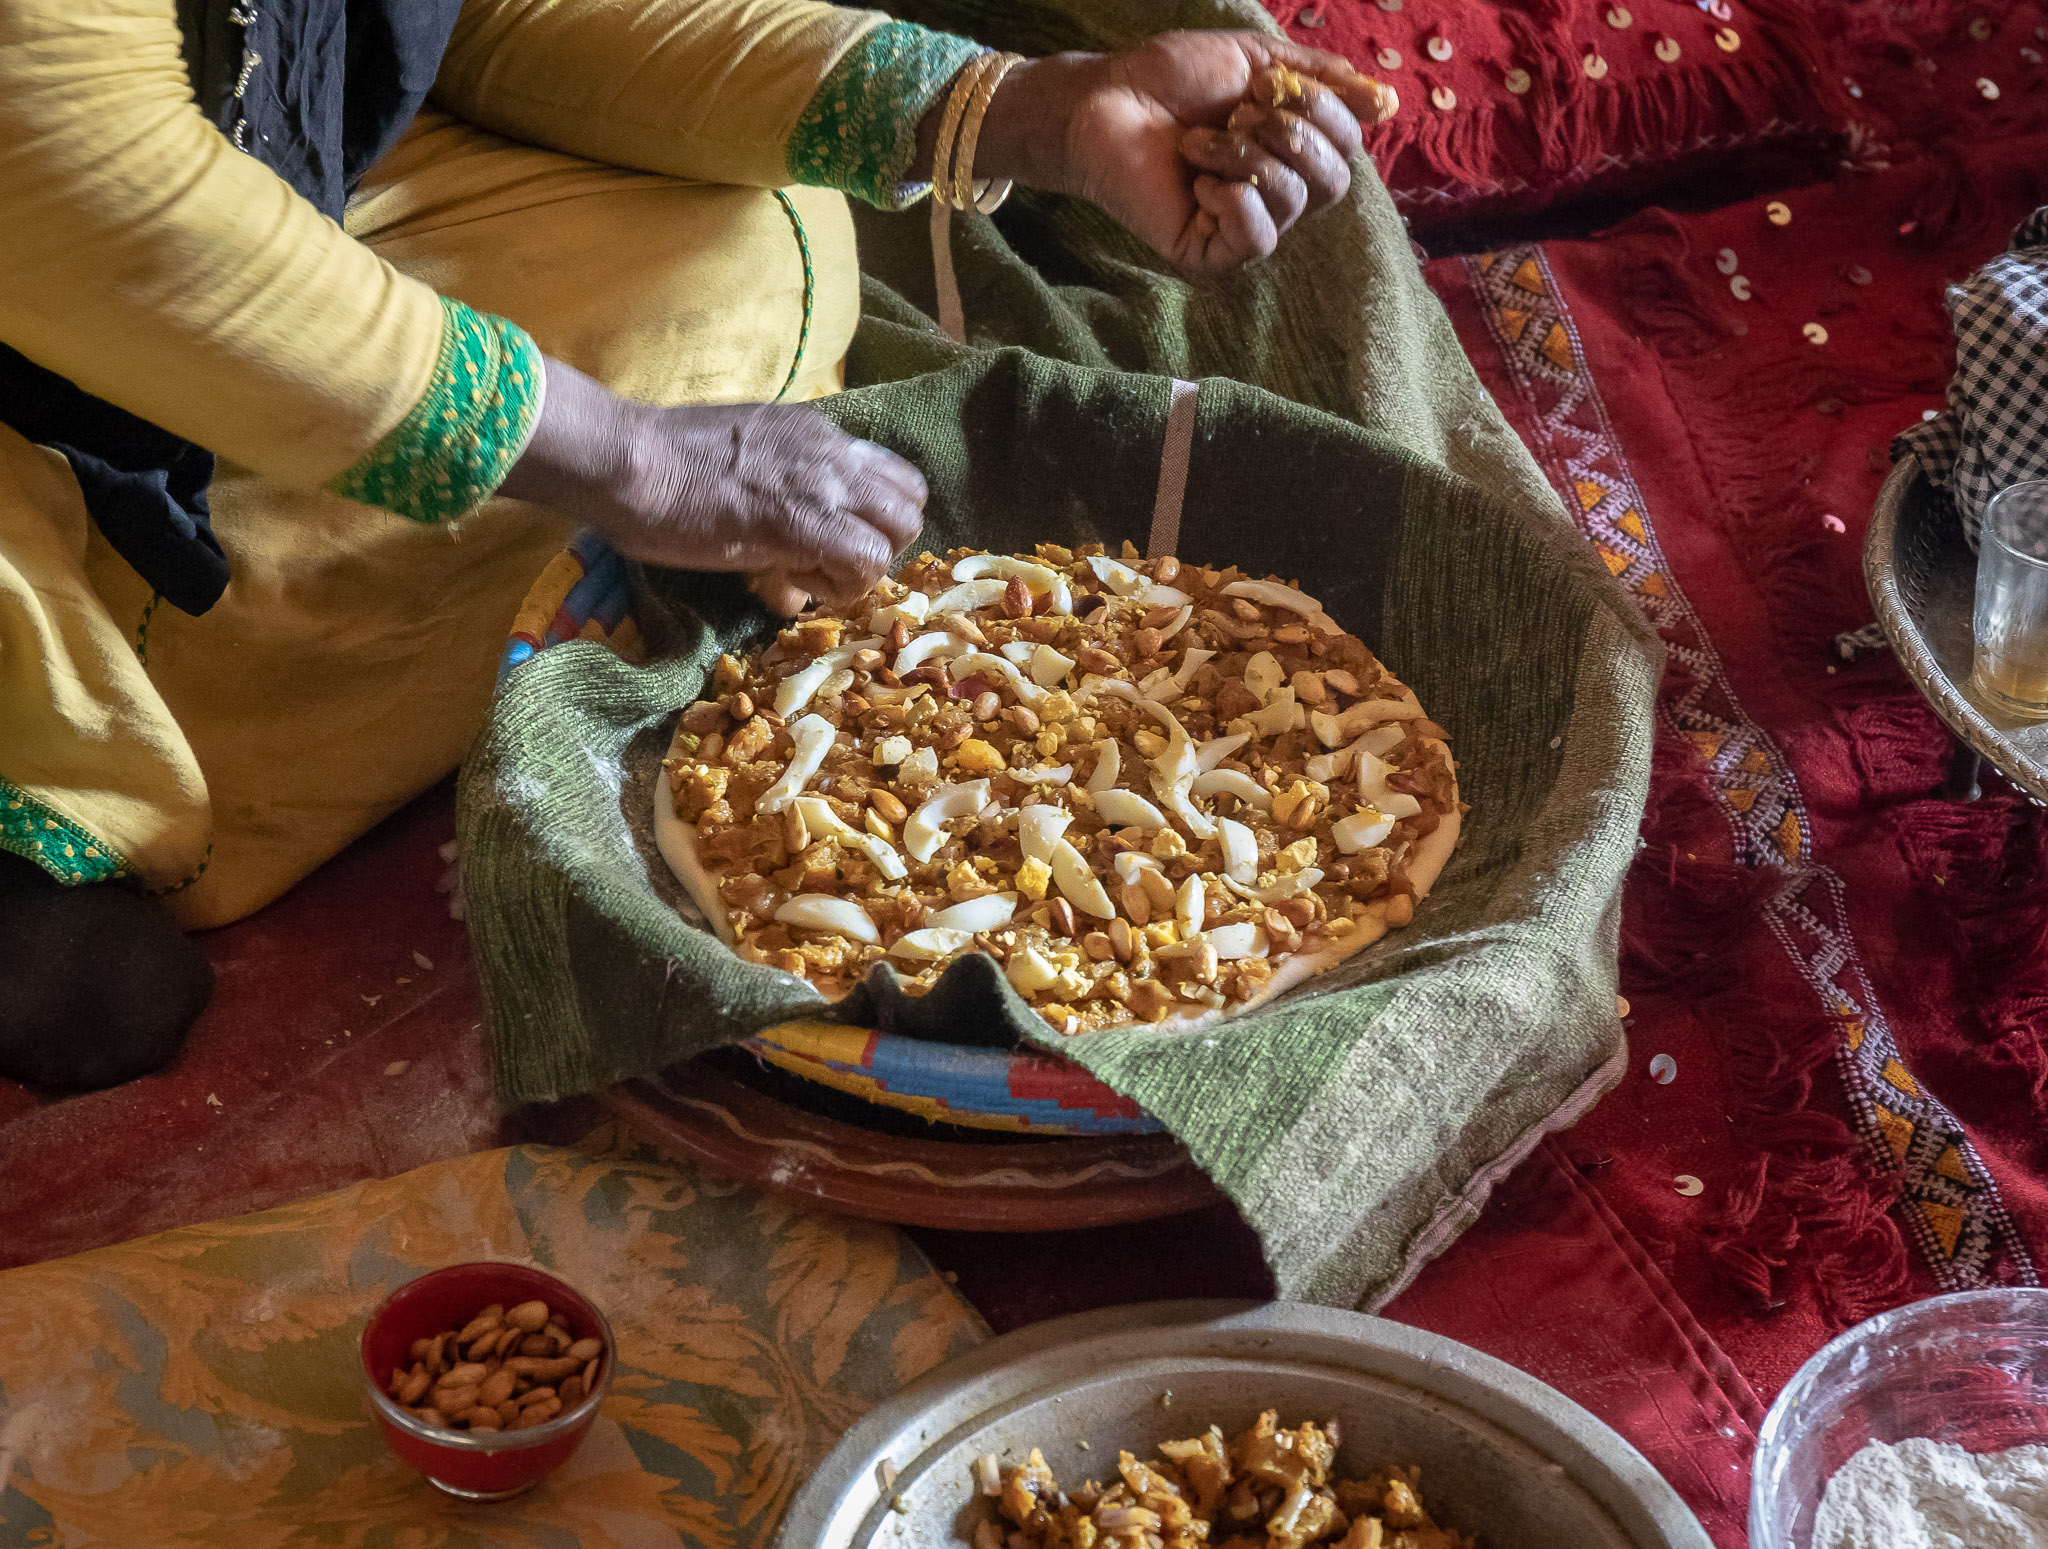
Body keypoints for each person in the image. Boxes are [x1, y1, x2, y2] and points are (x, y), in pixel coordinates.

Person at [0, 0, 1392, 1089]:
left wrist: (1032, 111)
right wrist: (638, 457)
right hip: (60, 235)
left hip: (169, 223)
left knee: (758, 247)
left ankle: (222, 625)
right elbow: (69, 173)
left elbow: (480, 18)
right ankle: (73, 783)